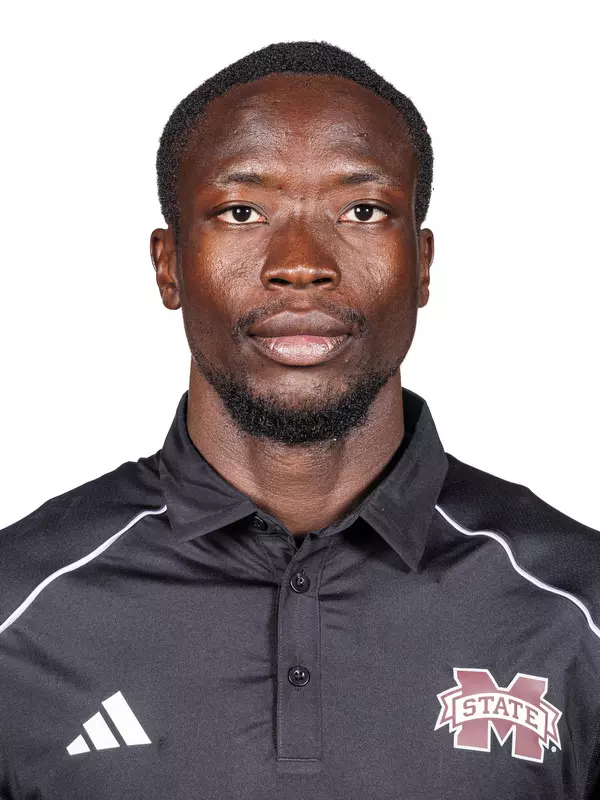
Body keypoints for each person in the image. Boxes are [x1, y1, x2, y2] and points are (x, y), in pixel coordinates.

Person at [1, 40, 598, 800]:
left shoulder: (576, 607)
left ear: (421, 265)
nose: (300, 262)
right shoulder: (17, 613)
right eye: (242, 210)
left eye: (361, 209)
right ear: (168, 266)